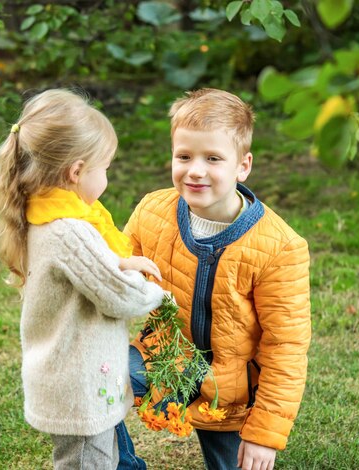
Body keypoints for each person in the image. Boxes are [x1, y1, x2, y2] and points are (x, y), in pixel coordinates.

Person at [117, 88, 311, 470]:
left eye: (213, 159)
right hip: (163, 357)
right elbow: (114, 267)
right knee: (92, 383)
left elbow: (285, 346)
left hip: (231, 388)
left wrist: (263, 434)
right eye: (184, 156)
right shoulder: (152, 210)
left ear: (243, 166)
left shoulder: (280, 247)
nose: (195, 170)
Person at [0, 88, 166, 469]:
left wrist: (121, 266)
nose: (108, 177)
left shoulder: (41, 215)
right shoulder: (70, 231)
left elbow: (93, 274)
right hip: (78, 384)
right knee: (87, 462)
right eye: (106, 168)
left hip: (67, 373)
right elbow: (119, 297)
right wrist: (155, 290)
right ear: (77, 171)